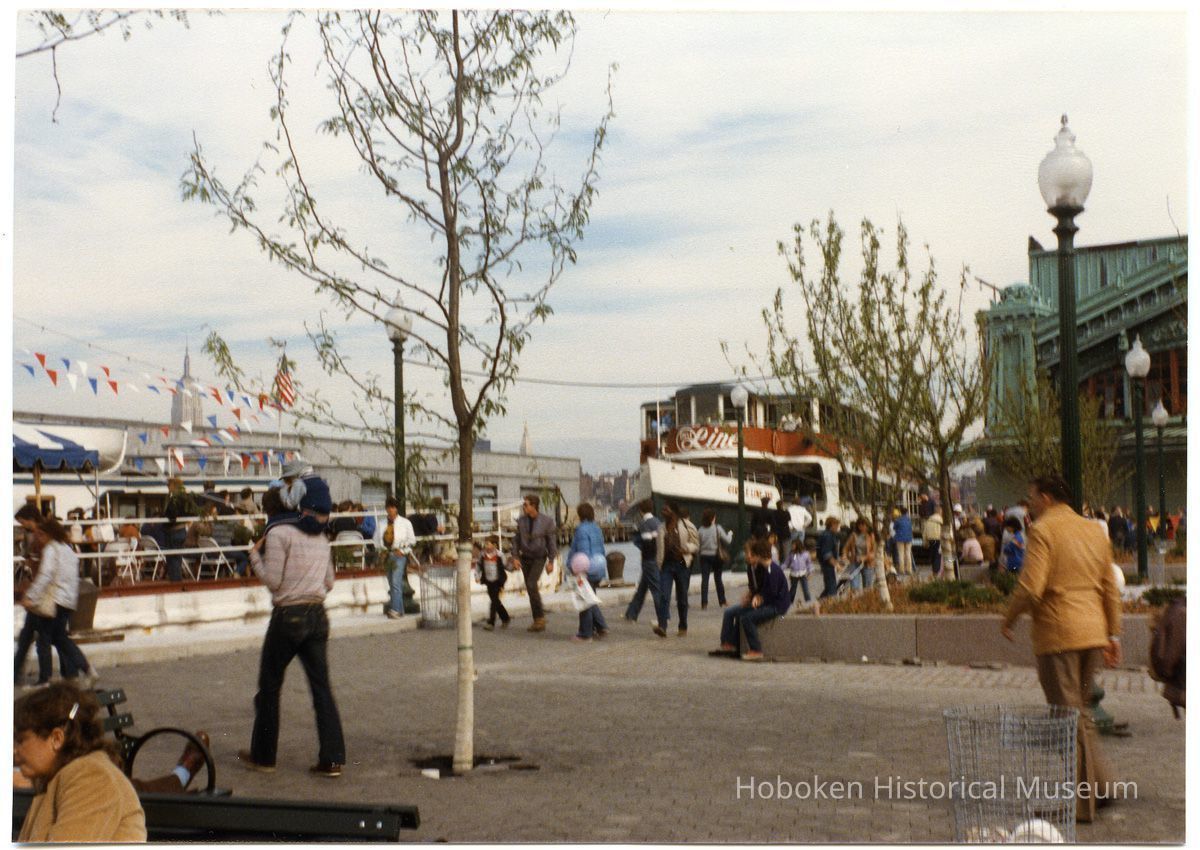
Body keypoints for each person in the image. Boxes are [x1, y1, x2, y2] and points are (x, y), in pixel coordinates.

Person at [1000, 475, 1122, 823]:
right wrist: (1113, 634)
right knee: (1080, 714)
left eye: (1032, 498)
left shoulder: (1042, 531)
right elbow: (1109, 586)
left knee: (1068, 719)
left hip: (1058, 635)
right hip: (1092, 633)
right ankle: (1101, 788)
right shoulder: (1094, 531)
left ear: (1047, 498)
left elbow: (1031, 586)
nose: (1029, 505)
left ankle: (1083, 806)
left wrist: (1009, 617)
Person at [239, 485, 346, 778]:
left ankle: (264, 756)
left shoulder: (278, 535)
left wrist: (253, 557)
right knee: (321, 688)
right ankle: (332, 758)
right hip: (318, 615)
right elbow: (330, 581)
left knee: (270, 686)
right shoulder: (321, 537)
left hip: (288, 616)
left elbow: (273, 581)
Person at [14, 682, 147, 842]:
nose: (13, 750)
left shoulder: (91, 776)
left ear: (57, 738)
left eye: (20, 741)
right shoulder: (57, 779)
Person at [19, 516, 97, 687]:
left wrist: (30, 596)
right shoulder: (68, 550)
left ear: (48, 534)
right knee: (61, 638)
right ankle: (87, 668)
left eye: (40, 534)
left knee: (44, 638)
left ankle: (45, 679)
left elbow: (45, 575)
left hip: (55, 599)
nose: (38, 538)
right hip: (69, 600)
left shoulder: (51, 549)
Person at [711, 538, 790, 661]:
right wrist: (755, 597)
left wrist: (758, 598)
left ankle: (756, 649)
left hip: (776, 607)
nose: (750, 556)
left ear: (758, 555)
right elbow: (764, 590)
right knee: (740, 614)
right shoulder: (768, 568)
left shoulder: (771, 570)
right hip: (771, 604)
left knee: (747, 618)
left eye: (753, 554)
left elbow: (771, 593)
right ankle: (731, 644)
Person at [511, 494, 557, 633]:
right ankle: (538, 619)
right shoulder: (521, 521)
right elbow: (516, 540)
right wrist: (515, 557)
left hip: (539, 557)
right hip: (525, 557)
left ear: (534, 506)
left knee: (531, 584)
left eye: (526, 505)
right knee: (531, 588)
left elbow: (551, 542)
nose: (524, 507)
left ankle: (540, 617)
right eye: (524, 505)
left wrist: (551, 561)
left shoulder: (547, 522)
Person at [654, 502, 696, 638]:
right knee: (664, 596)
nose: (662, 511)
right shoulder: (661, 528)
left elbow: (696, 544)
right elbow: (659, 549)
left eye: (666, 509)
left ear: (673, 512)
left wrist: (686, 549)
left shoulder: (687, 525)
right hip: (666, 566)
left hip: (682, 564)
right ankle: (662, 627)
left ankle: (683, 625)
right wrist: (658, 565)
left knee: (682, 597)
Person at [375, 497, 416, 619]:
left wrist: (403, 551)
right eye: (388, 507)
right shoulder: (382, 524)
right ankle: (399, 608)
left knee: (396, 582)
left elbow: (412, 540)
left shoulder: (405, 523)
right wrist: (380, 551)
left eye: (392, 507)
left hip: (399, 555)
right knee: (391, 582)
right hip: (387, 555)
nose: (390, 510)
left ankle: (396, 609)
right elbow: (376, 539)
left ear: (396, 508)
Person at [624, 499, 662, 626]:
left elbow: (647, 543)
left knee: (655, 590)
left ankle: (663, 617)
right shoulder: (658, 522)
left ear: (641, 510)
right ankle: (631, 614)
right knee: (642, 589)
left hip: (648, 560)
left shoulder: (645, 524)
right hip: (656, 559)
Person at [163, 477, 198, 582]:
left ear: (173, 486)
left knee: (172, 558)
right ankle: (176, 580)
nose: (168, 487)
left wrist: (164, 516)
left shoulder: (174, 499)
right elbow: (191, 511)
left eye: (169, 485)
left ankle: (175, 581)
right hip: (181, 530)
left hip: (174, 530)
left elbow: (171, 514)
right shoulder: (185, 498)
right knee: (176, 557)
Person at [697, 508, 732, 610]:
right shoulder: (717, 528)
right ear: (713, 518)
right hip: (716, 556)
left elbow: (698, 545)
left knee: (705, 580)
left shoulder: (700, 530)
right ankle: (722, 600)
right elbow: (727, 541)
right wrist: (730, 534)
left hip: (704, 556)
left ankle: (704, 603)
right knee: (718, 579)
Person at [569, 552, 608, 642]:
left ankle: (585, 634)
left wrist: (571, 567)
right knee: (590, 600)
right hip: (596, 568)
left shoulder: (581, 537)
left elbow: (582, 551)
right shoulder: (598, 537)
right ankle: (600, 626)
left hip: (582, 568)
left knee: (584, 603)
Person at [567, 502, 607, 590]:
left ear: (580, 515)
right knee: (591, 596)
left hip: (587, 571)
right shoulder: (597, 528)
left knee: (587, 598)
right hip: (599, 568)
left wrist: (572, 567)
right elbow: (602, 550)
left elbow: (583, 553)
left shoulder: (581, 530)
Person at [475, 535, 510, 630]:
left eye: (488, 544)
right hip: (488, 580)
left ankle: (491, 622)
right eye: (485, 544)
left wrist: (513, 567)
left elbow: (505, 566)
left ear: (494, 545)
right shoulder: (482, 554)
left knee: (494, 601)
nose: (486, 546)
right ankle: (505, 618)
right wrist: (477, 576)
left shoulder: (499, 555)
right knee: (495, 601)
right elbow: (478, 566)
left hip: (497, 580)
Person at [842, 517, 875, 591]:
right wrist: (844, 556)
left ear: (867, 525)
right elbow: (846, 548)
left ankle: (866, 600)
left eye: (864, 525)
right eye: (860, 525)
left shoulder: (871, 536)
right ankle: (855, 599)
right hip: (855, 561)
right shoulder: (854, 535)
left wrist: (865, 557)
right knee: (854, 585)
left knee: (867, 586)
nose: (862, 527)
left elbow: (875, 551)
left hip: (868, 563)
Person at [784, 537, 815, 605]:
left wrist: (810, 572)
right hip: (793, 574)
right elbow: (786, 563)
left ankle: (808, 602)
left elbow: (809, 563)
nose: (792, 546)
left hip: (803, 574)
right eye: (792, 545)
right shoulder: (791, 554)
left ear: (797, 545)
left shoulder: (805, 554)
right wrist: (780, 568)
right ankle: (789, 602)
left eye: (793, 545)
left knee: (805, 589)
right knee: (793, 590)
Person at [816, 517, 842, 599]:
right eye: (837, 525)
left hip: (825, 564)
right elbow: (827, 554)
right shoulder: (828, 536)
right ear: (832, 525)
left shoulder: (826, 534)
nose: (838, 528)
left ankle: (819, 603)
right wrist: (836, 565)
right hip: (827, 565)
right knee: (832, 589)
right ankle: (829, 607)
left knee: (828, 587)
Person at [892, 506, 914, 576]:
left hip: (900, 538)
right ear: (907, 512)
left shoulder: (898, 520)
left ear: (900, 512)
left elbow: (894, 528)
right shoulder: (909, 520)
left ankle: (902, 570)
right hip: (909, 538)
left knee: (901, 554)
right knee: (908, 553)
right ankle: (909, 570)